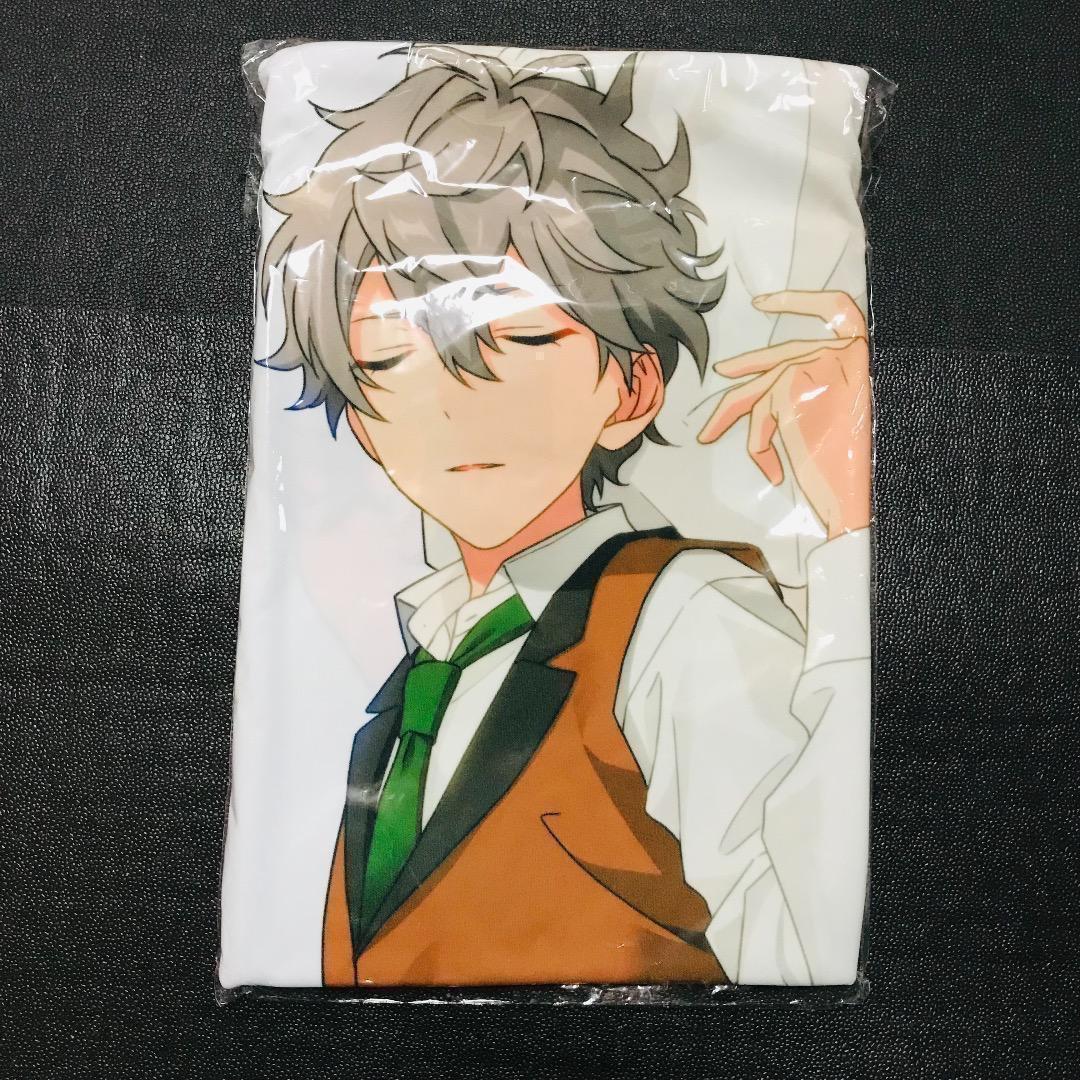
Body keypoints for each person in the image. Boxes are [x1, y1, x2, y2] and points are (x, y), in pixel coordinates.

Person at [259, 45, 871, 986]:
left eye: (522, 341)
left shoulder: (684, 619)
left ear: (631, 388)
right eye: (386, 364)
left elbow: (807, 950)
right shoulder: (419, 673)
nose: (450, 408)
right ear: (363, 423)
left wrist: (849, 534)